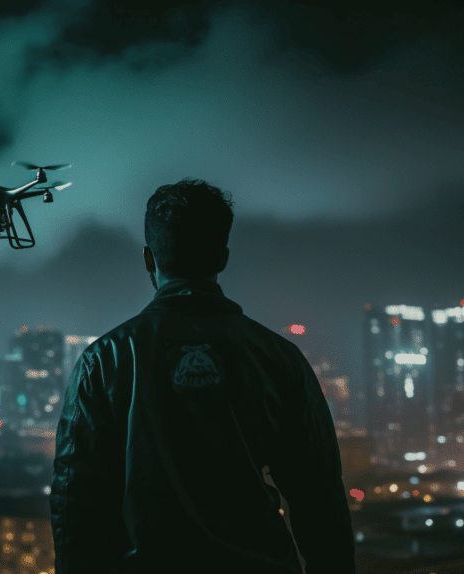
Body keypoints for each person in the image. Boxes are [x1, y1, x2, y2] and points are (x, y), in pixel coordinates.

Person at [51, 178, 356, 573]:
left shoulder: (104, 360)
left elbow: (74, 501)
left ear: (148, 258)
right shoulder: (279, 358)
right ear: (223, 258)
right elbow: (321, 499)